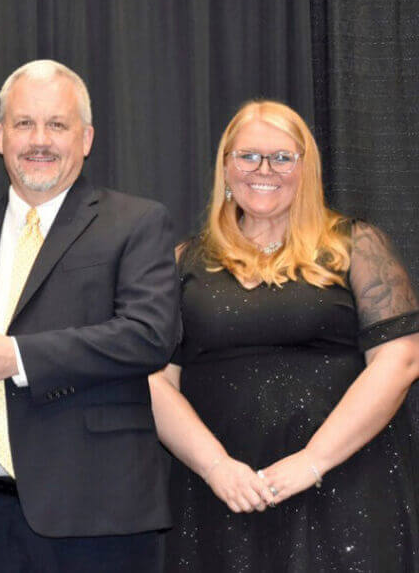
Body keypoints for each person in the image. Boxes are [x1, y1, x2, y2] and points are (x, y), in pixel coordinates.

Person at [0, 59, 181, 572]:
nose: (39, 140)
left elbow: (149, 335)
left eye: (57, 125)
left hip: (99, 523)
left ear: (86, 138)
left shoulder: (136, 223)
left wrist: (16, 357)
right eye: (24, 123)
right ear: (0, 136)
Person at [149, 100, 419, 571]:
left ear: (306, 169)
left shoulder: (354, 246)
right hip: (223, 496)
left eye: (282, 157)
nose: (264, 170)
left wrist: (312, 461)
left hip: (345, 486)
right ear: (226, 168)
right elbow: (153, 379)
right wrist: (216, 466)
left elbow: (401, 361)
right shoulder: (182, 262)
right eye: (248, 156)